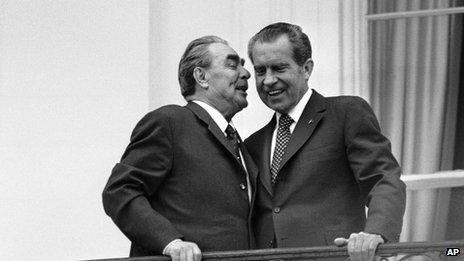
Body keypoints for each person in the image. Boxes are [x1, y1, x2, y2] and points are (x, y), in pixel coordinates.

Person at [244, 22, 406, 261]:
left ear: (306, 68)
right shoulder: (252, 144)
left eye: (278, 68)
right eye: (260, 71)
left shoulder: (346, 113)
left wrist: (375, 234)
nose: (268, 80)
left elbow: (383, 179)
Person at [102, 35, 257, 261]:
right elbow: (119, 191)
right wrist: (169, 241)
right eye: (232, 64)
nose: (246, 73)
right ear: (201, 77)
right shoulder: (170, 121)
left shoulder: (240, 144)